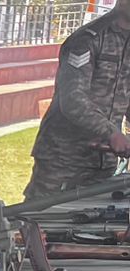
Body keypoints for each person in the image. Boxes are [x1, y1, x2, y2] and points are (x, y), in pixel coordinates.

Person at [26, 5, 130, 201]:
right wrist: (112, 133)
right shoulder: (87, 39)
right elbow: (73, 99)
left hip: (103, 164)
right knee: (40, 216)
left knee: (97, 218)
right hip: (63, 160)